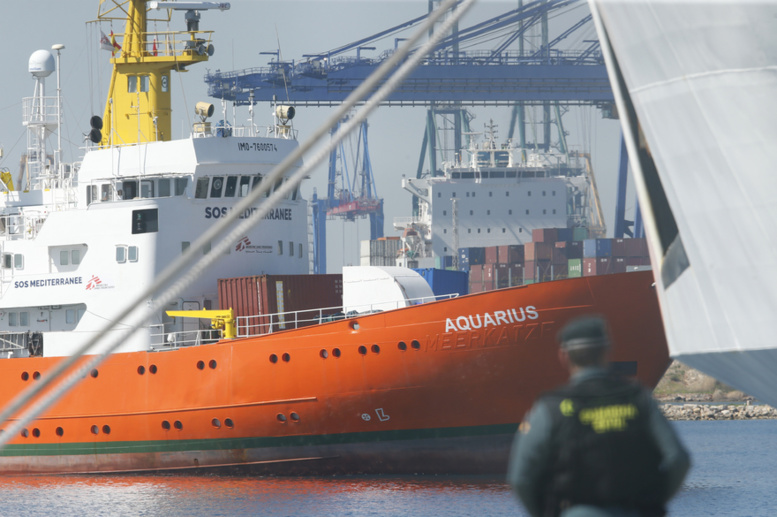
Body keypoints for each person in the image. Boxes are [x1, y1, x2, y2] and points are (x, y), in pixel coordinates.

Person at [507, 315, 690, 517]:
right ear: (606, 351)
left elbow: (520, 478)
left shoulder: (550, 408)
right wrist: (653, 503)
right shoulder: (639, 399)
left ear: (563, 356)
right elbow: (678, 459)